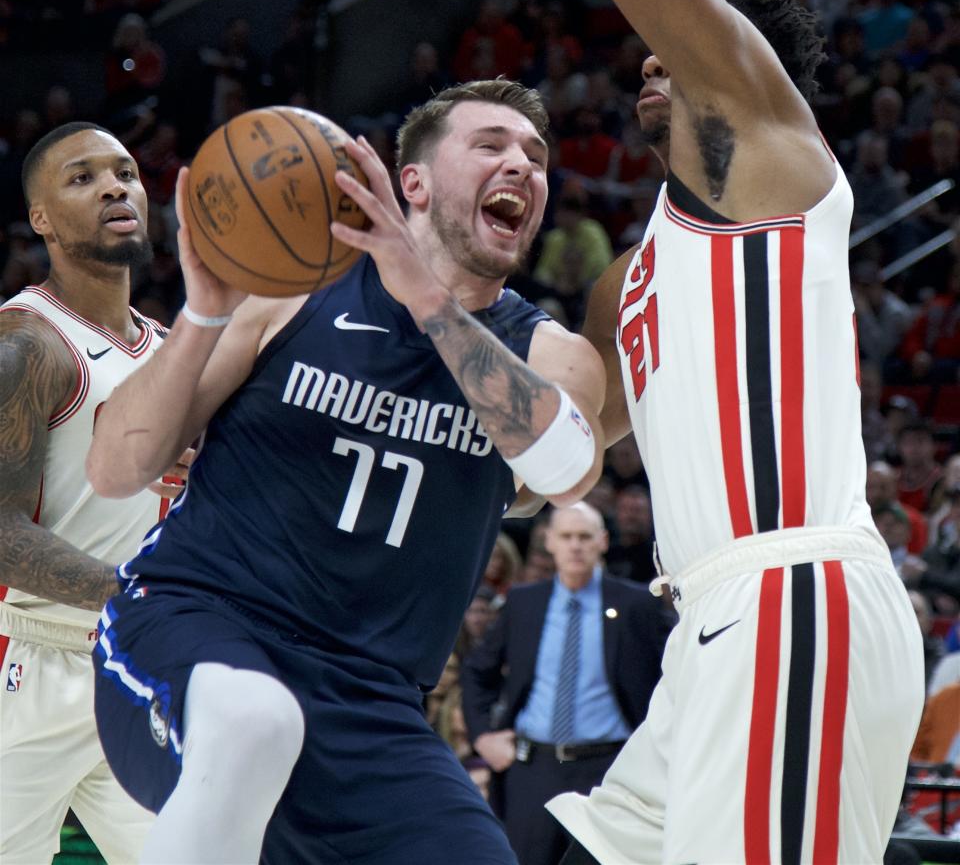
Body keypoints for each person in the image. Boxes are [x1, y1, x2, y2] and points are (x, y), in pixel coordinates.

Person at [291, 0, 925, 862]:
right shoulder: (648, 271)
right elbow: (565, 453)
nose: (641, 54)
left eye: (667, 42)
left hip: (794, 592)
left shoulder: (767, 142)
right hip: (708, 629)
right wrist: (424, 302)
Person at [87, 78, 606, 865]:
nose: (523, 167)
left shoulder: (550, 354)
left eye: (536, 156)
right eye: (491, 145)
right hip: (196, 627)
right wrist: (203, 312)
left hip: (372, 705)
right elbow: (114, 468)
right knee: (254, 720)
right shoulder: (291, 293)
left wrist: (429, 300)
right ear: (413, 183)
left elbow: (568, 472)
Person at [0, 121, 176, 865]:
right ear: (40, 217)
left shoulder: (169, 349)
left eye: (126, 171)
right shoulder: (26, 343)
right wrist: (144, 598)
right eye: (82, 177)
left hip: (131, 664)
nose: (114, 185)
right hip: (24, 661)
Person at [461, 502, 673, 865]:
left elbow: (673, 671)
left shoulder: (636, 603)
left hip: (610, 768)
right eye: (566, 536)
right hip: (533, 768)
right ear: (549, 541)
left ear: (602, 542)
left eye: (585, 537)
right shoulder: (524, 602)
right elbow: (478, 670)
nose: (575, 545)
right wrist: (483, 735)